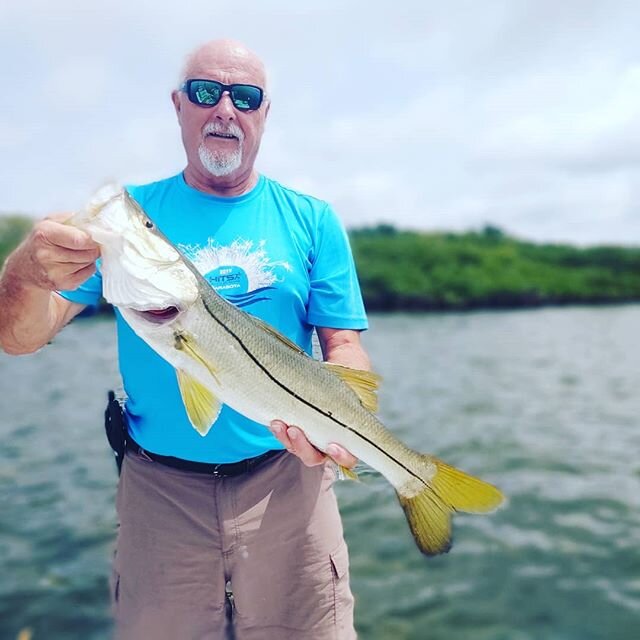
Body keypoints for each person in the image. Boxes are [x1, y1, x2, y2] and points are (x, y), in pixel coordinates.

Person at [0, 39, 370, 639]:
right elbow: (19, 339)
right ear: (179, 106)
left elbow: (344, 346)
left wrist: (341, 427)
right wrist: (25, 271)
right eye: (206, 92)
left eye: (244, 96)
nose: (225, 108)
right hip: (159, 492)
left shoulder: (313, 218)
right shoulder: (125, 223)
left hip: (288, 482)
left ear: (263, 114)